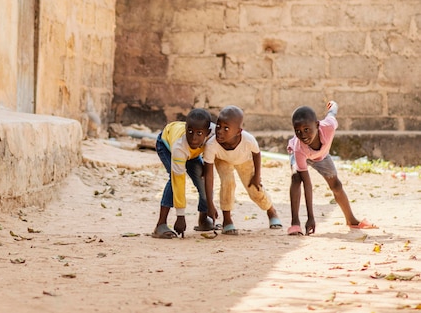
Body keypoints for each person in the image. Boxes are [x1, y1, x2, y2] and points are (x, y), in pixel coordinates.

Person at [287, 101, 377, 235]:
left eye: (307, 129)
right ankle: (295, 223)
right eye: (298, 131)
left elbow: (332, 113)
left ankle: (351, 220)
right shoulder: (299, 146)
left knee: (336, 185)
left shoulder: (329, 126)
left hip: (321, 156)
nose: (303, 135)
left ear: (317, 125)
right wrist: (311, 218)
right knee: (296, 178)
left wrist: (333, 105)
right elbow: (307, 184)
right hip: (300, 154)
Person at [203, 105, 282, 235]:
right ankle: (227, 220)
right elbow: (209, 175)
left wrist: (257, 176)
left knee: (254, 188)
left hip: (244, 160)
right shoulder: (212, 145)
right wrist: (210, 204)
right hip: (222, 160)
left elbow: (257, 154)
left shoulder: (247, 139)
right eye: (218, 126)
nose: (220, 131)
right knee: (228, 183)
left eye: (226, 128)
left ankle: (271, 210)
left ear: (238, 131)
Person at [152, 108, 217, 239]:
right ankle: (160, 224)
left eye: (199, 133)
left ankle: (203, 220)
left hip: (192, 155)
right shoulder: (179, 147)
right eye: (190, 131)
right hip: (166, 145)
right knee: (173, 180)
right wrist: (180, 216)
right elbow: (179, 181)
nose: (193, 138)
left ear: (207, 133)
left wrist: (210, 205)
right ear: (186, 127)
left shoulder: (215, 134)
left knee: (203, 181)